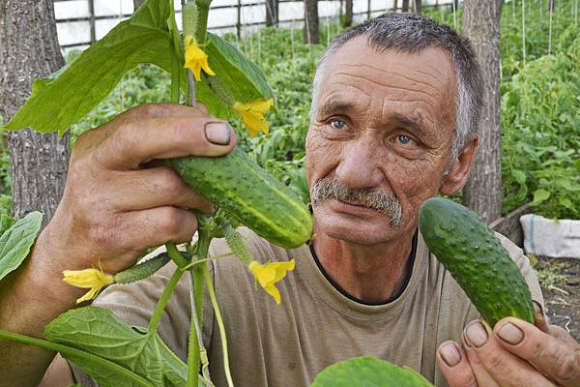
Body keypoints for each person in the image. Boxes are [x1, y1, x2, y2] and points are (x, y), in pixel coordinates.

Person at [1, 13, 579, 387]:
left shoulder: (494, 277)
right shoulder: (213, 264)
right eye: (336, 121)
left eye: (404, 138)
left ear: (459, 164)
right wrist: (54, 268)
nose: (352, 172)